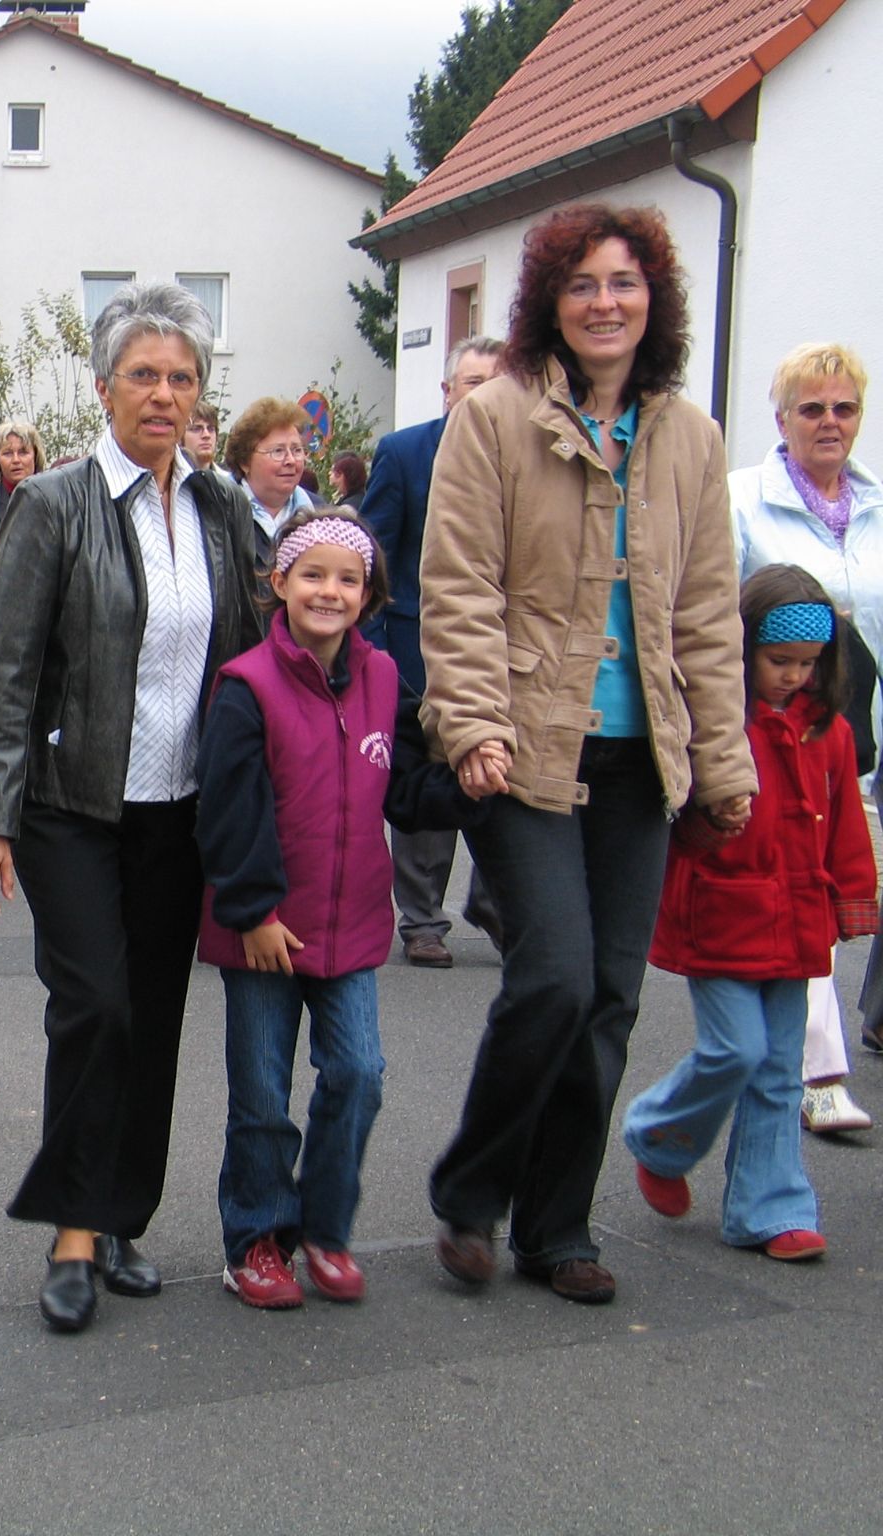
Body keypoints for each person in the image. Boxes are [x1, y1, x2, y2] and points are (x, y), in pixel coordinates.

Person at [421, 203, 755, 1306]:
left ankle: (554, 1224)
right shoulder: (496, 420)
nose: (603, 302)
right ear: (547, 305)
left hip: (637, 758)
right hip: (519, 744)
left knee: (609, 995)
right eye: (581, 284)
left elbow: (706, 614)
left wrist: (722, 765)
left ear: (650, 299)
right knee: (552, 976)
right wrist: (469, 723)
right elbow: (458, 584)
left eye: (622, 282)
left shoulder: (687, 436)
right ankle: (471, 1190)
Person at [0, 279, 263, 1333]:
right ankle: (72, 1232)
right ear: (102, 389)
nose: (164, 394)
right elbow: (3, 673)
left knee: (154, 1020)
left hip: (178, 810)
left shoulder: (221, 509)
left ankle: (122, 1214)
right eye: (143, 375)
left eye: (181, 378)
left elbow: (261, 648)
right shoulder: (53, 505)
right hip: (71, 803)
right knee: (94, 1007)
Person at [197, 508, 482, 1308]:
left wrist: (466, 789)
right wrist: (252, 909)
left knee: (358, 1073)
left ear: (368, 594)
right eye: (312, 574)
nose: (329, 590)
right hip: (263, 930)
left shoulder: (388, 679)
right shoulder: (245, 686)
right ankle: (256, 1237)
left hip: (352, 923)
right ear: (278, 582)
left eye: (347, 579)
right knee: (260, 1097)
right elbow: (228, 809)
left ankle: (326, 1227)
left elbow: (406, 787)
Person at [624, 565, 876, 1263]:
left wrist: (853, 899)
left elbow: (846, 825)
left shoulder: (829, 733)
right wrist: (706, 827)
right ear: (742, 651)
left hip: (798, 923)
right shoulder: (717, 723)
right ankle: (659, 1135)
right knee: (737, 1049)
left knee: (778, 1071)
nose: (794, 676)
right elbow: (679, 818)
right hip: (722, 918)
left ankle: (771, 1207)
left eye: (809, 663)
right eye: (779, 661)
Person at [728, 341, 882, 1135]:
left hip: (866, 726)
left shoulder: (877, 505)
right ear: (781, 417)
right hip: (781, 734)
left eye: (844, 408)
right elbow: (713, 616)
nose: (830, 422)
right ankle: (819, 1072)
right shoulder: (743, 500)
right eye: (812, 408)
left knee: (853, 872)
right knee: (805, 883)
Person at [362, 337, 509, 967]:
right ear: (447, 391)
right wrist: (372, 650)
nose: (480, 393)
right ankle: (423, 916)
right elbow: (374, 553)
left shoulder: (524, 451)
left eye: (493, 382)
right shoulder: (404, 452)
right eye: (469, 382)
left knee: (505, 775)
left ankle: (497, 900)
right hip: (415, 643)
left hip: (505, 648)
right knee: (429, 778)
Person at [223, 399, 317, 574]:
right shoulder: (219, 511)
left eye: (297, 450)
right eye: (278, 451)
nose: (290, 461)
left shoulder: (322, 515)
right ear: (244, 461)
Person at [0, 420, 47, 543]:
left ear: (36, 456)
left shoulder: (51, 501)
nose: (16, 460)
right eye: (7, 453)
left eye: (23, 452)